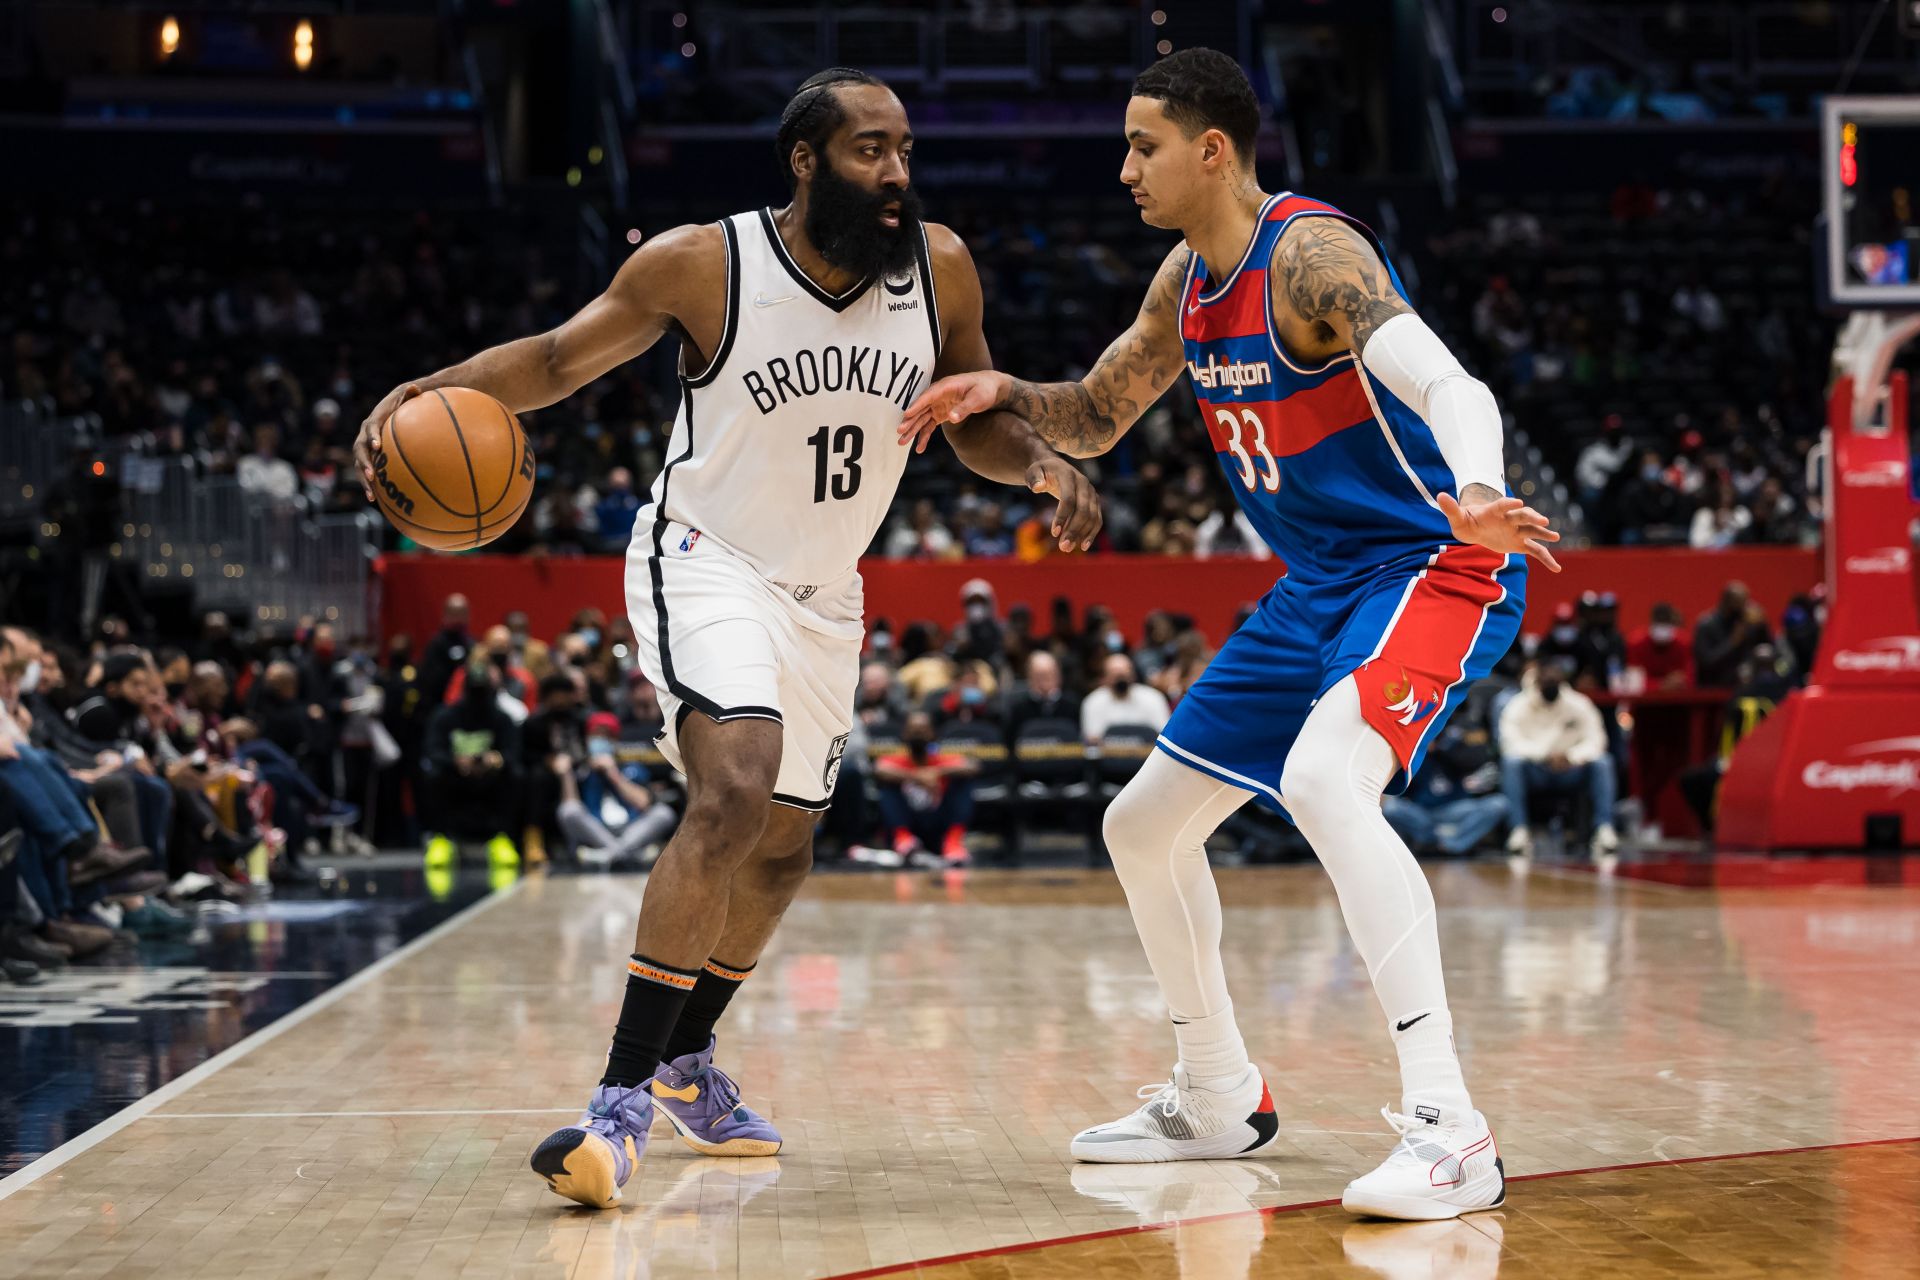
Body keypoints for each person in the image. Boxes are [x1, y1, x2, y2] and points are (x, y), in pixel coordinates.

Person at [354, 65, 1101, 1211]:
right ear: (804, 160)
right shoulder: (705, 263)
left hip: (824, 591)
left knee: (787, 847)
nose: (895, 172)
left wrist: (1041, 459)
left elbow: (971, 421)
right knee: (734, 787)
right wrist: (430, 387)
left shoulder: (940, 266)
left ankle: (686, 1058)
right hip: (705, 555)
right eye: (867, 150)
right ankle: (615, 1104)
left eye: (903, 149)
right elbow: (557, 360)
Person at [901, 47, 1557, 1219]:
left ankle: (1453, 1127)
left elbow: (1452, 382)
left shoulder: (1311, 255)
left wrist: (1478, 486)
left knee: (1324, 781)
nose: (1124, 168)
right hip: (1317, 585)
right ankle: (1217, 1092)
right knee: (1141, 825)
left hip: (1433, 561)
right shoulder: (1185, 285)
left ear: (1212, 150)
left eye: (1142, 145)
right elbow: (1099, 413)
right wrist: (1000, 394)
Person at [1496, 661, 1619, 860]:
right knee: (1511, 764)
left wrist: (1572, 756)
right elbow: (1509, 743)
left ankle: (1604, 829)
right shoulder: (1518, 705)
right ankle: (1518, 830)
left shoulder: (1578, 704)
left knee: (1603, 763)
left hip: (1571, 769)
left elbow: (1597, 740)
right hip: (1536, 770)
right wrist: (1545, 755)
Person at [418, 656, 524, 871]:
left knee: (517, 775)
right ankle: (441, 838)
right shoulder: (445, 716)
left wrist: (494, 760)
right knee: (432, 775)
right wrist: (456, 762)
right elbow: (433, 750)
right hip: (455, 774)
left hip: (490, 777)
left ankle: (502, 838)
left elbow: (513, 752)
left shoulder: (501, 718)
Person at [872, 710, 977, 865]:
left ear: (932, 734)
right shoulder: (898, 759)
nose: (918, 735)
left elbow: (972, 766)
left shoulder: (941, 759)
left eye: (922, 730)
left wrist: (937, 772)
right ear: (905, 734)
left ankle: (953, 842)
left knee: (964, 782)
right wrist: (916, 776)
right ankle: (904, 839)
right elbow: (879, 769)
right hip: (909, 823)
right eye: (913, 731)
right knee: (886, 785)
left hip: (938, 824)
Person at [1693, 582, 1771, 687]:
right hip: (1714, 687)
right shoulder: (1706, 625)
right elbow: (1706, 662)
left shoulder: (1747, 624)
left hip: (1745, 687)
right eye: (1739, 603)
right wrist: (1732, 642)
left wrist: (1762, 625)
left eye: (1746, 602)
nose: (1745, 607)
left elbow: (1768, 649)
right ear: (1726, 602)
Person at [1079, 654, 1171, 742]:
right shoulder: (1093, 702)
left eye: (1124, 675)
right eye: (1115, 676)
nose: (1120, 680)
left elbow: (1164, 736)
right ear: (1104, 677)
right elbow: (1092, 739)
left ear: (1133, 675)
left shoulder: (1153, 698)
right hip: (1108, 757)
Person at [1625, 602, 1693, 689]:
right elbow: (1633, 682)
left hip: (1676, 697)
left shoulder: (1684, 643)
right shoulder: (1636, 643)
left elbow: (1691, 677)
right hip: (1645, 699)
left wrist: (1682, 680)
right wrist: (1660, 685)